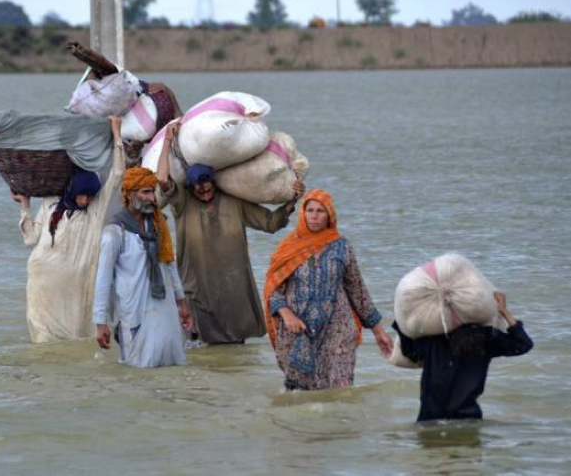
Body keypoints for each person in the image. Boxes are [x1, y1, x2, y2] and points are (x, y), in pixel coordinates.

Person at [156, 122, 304, 344]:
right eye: (198, 187)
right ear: (190, 187)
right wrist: (167, 140)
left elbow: (271, 223)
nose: (204, 190)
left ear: (214, 183)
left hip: (232, 287)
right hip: (197, 287)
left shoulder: (234, 202)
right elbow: (161, 179)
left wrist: (292, 200)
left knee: (235, 344)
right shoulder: (183, 204)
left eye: (207, 185)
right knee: (198, 345)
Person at [264, 189, 393, 390]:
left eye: (320, 211)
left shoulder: (341, 247)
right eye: (310, 210)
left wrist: (379, 331)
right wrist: (287, 314)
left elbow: (358, 291)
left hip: (338, 330)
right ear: (303, 214)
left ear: (329, 216)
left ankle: (343, 421)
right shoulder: (288, 248)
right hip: (297, 330)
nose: (314, 215)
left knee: (340, 391)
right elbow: (273, 290)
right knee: (299, 396)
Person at [11, 116, 125, 343]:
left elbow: (118, 174)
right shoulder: (50, 204)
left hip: (76, 282)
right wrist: (25, 205)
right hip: (43, 280)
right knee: (43, 337)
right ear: (72, 190)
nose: (85, 200)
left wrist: (116, 134)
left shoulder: (94, 210)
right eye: (82, 194)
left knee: (77, 333)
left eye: (90, 195)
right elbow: (31, 238)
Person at [92, 167, 193, 368]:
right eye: (145, 192)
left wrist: (181, 302)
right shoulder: (114, 232)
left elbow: (170, 264)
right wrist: (100, 322)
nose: (151, 198)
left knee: (168, 360)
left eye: (152, 192)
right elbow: (103, 279)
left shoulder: (158, 225)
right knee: (136, 366)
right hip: (133, 309)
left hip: (163, 306)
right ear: (129, 195)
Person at [393, 291, 533, 422]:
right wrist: (504, 311)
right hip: (468, 419)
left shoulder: (433, 338)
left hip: (430, 419)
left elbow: (411, 353)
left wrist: (402, 321)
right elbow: (523, 344)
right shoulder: (486, 338)